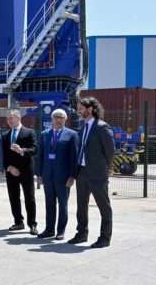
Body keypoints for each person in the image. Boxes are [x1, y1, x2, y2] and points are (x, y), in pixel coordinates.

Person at [68, 97, 114, 248]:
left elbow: (110, 152)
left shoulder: (102, 127)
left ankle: (105, 237)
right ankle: (82, 234)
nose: (79, 111)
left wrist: (105, 170)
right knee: (81, 206)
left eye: (81, 108)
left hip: (97, 174)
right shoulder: (82, 128)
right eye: (78, 108)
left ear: (91, 109)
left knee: (103, 206)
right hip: (82, 172)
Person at [36, 109, 79, 241]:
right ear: (52, 119)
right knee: (49, 203)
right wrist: (39, 174)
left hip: (63, 177)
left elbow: (74, 157)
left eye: (61, 117)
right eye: (55, 117)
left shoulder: (72, 135)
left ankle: (60, 231)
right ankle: (49, 230)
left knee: (62, 204)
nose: (58, 120)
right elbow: (40, 155)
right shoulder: (44, 134)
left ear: (65, 119)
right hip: (48, 175)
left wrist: (72, 176)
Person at [2, 109, 38, 235]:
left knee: (29, 198)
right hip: (11, 171)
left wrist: (22, 150)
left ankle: (32, 224)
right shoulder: (5, 135)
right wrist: (9, 168)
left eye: (12, 118)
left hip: (26, 171)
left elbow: (34, 150)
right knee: (14, 197)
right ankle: (18, 222)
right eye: (8, 119)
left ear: (19, 118)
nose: (10, 121)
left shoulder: (29, 132)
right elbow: (3, 155)